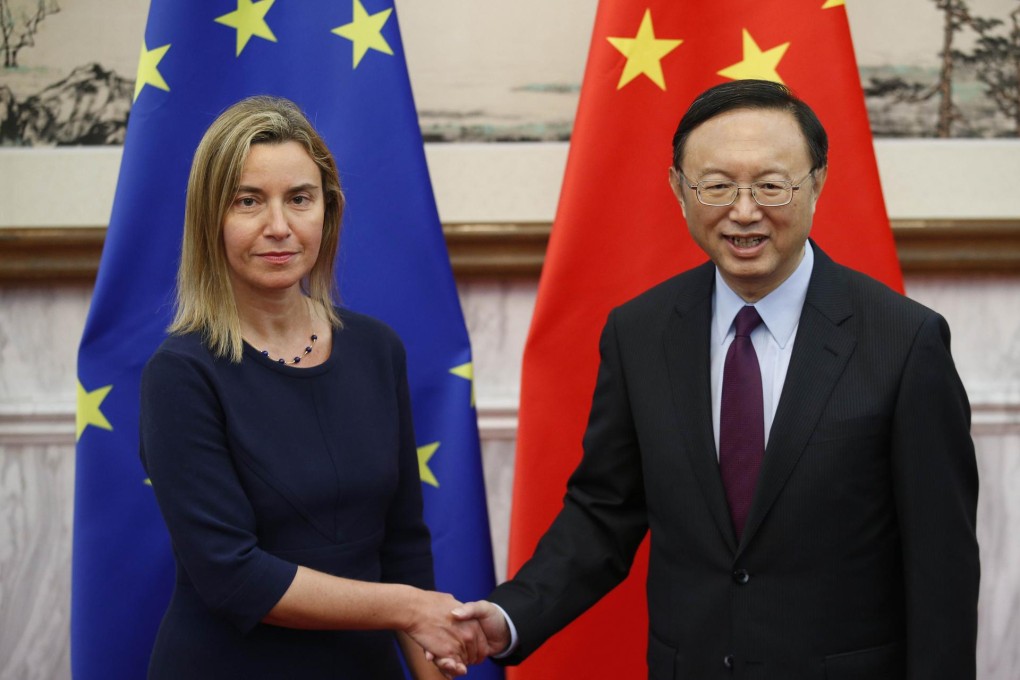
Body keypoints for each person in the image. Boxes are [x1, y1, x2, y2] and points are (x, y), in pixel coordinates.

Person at [452, 80, 980, 678]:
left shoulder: (905, 342)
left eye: (772, 185)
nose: (745, 210)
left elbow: (943, 569)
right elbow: (605, 512)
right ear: (680, 190)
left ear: (818, 183)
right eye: (717, 185)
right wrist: (510, 614)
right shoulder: (640, 332)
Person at [139, 95, 486, 679]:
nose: (279, 227)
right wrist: (406, 607)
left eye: (299, 199)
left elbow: (402, 546)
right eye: (249, 201)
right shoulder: (180, 373)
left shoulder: (377, 350)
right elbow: (233, 574)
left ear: (328, 210)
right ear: (210, 219)